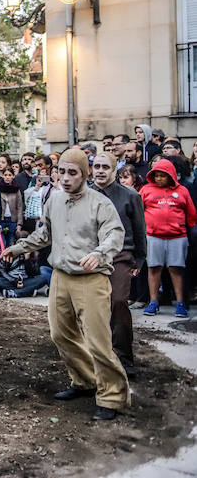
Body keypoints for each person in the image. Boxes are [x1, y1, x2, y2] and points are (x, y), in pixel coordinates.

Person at [1, 148, 129, 421]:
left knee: (98, 342)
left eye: (73, 173)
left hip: (92, 280)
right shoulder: (54, 201)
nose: (66, 178)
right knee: (61, 334)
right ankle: (84, 381)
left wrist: (99, 254)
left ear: (85, 174)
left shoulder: (100, 203)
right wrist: (17, 248)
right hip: (60, 276)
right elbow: (44, 234)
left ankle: (112, 397)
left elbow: (114, 235)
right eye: (62, 172)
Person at [90, 153, 147, 377]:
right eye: (97, 167)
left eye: (106, 167)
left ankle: (123, 357)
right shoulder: (84, 194)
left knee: (118, 301)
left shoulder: (130, 196)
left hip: (122, 256)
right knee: (93, 307)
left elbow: (140, 229)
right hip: (91, 256)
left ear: (115, 170)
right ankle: (94, 356)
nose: (101, 171)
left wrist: (140, 259)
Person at [139, 158, 196, 318]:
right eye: (156, 175)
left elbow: (191, 213)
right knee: (154, 268)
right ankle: (153, 302)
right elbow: (138, 212)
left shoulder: (182, 190)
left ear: (170, 175)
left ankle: (180, 304)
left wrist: (184, 229)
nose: (158, 179)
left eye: (162, 176)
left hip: (177, 237)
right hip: (153, 236)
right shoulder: (146, 189)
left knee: (176, 269)